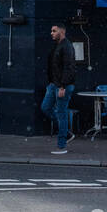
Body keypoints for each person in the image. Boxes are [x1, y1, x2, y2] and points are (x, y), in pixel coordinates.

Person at [41, 24, 77, 155]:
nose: (51, 33)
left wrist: (63, 86)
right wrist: (51, 83)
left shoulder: (67, 46)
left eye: (54, 31)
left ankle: (62, 146)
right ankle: (66, 133)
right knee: (45, 107)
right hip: (53, 85)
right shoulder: (57, 45)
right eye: (51, 30)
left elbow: (69, 68)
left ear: (62, 32)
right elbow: (54, 67)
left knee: (61, 113)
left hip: (63, 86)